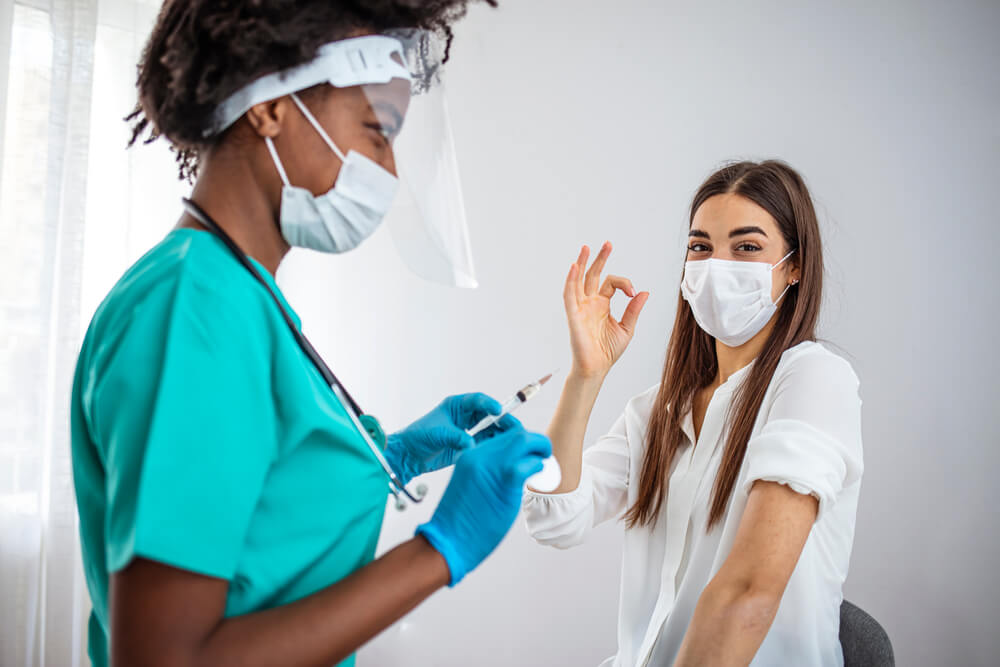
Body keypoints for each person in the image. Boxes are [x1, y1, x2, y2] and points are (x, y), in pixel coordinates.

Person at [69, 2, 552, 666]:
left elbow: (261, 519)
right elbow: (165, 658)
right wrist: (439, 550)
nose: (389, 168)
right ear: (270, 106)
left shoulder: (238, 292)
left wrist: (392, 456)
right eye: (377, 129)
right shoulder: (193, 306)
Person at [525, 160, 863, 666]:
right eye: (700, 247)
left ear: (794, 267)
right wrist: (585, 376)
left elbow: (749, 594)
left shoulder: (814, 379)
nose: (716, 265)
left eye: (746, 247)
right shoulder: (659, 409)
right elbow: (552, 518)